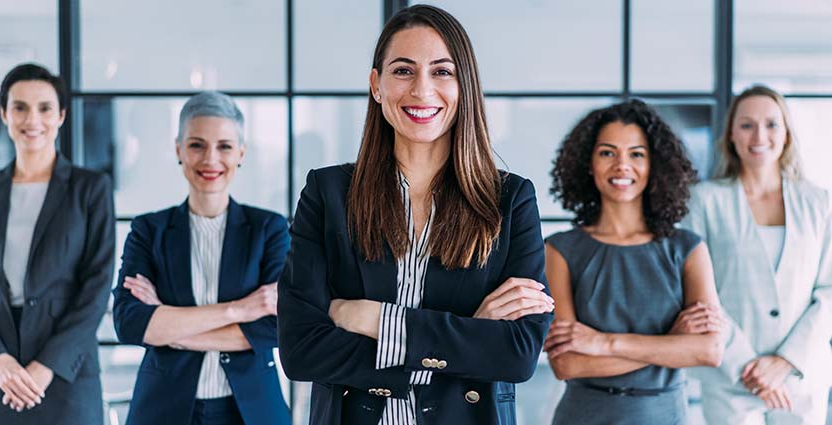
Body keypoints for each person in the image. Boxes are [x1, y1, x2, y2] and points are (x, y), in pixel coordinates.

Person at [277, 5, 554, 425]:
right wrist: (468, 332)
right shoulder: (328, 193)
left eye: (442, 72)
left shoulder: (510, 200)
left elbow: (516, 354)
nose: (422, 91)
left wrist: (372, 318)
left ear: (465, 86)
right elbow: (300, 350)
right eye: (404, 71)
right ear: (376, 84)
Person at [112, 91, 291, 425]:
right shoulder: (149, 230)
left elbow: (278, 325)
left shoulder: (269, 228)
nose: (211, 159)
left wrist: (171, 330)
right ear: (179, 150)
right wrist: (239, 310)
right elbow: (130, 322)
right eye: (196, 145)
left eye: (224, 146)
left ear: (241, 152)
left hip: (252, 410)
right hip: (164, 408)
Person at [543, 100, 724, 425]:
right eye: (607, 153)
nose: (622, 165)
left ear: (655, 164)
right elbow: (567, 364)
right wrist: (671, 344)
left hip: (664, 415)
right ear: (588, 163)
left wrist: (602, 343)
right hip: (584, 415)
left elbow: (708, 352)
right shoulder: (560, 250)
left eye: (636, 154)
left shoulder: (688, 249)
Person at [683, 85, 832, 424]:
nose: (759, 135)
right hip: (730, 375)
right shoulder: (704, 201)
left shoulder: (819, 202)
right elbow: (698, 292)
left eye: (771, 124)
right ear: (731, 134)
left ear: (787, 134)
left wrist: (784, 362)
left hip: (800, 376)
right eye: (747, 124)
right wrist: (749, 367)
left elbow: (829, 291)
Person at [0, 63, 114, 424]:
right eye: (20, 107)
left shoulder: (90, 189)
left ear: (61, 116)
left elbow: (97, 286)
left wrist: (48, 365)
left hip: (66, 372)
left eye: (44, 108)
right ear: (5, 114)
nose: (32, 119)